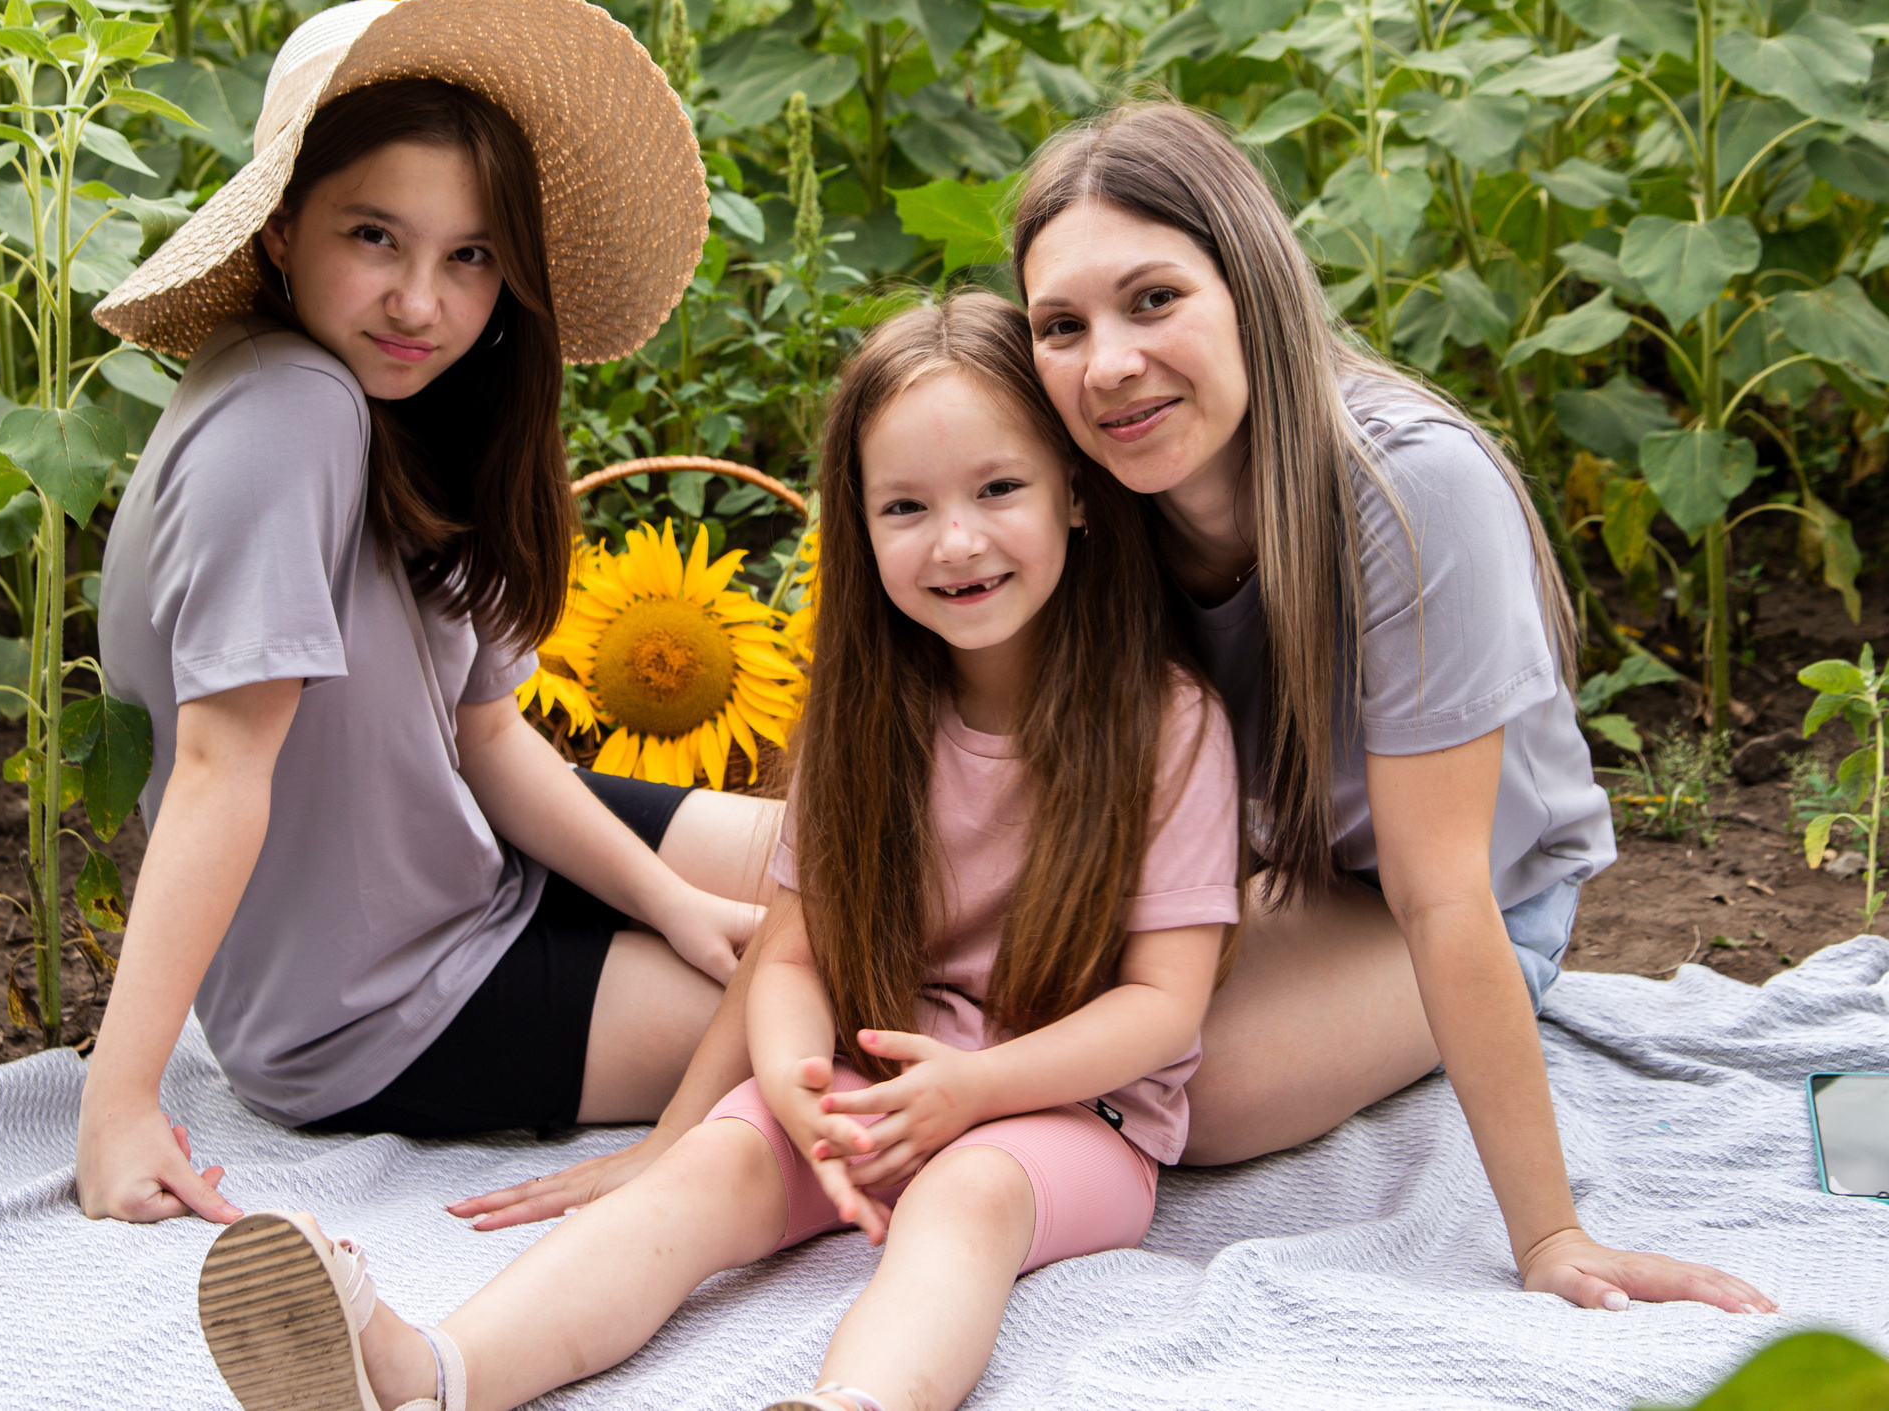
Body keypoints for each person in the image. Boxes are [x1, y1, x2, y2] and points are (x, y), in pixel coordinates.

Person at [191, 290, 1241, 1411]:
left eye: (998, 489)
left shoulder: (1165, 722)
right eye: (905, 506)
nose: (957, 541)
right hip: (876, 1087)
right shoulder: (863, 718)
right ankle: (426, 1375)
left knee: (967, 1198)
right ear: (858, 525)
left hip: (1069, 1113)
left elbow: (1163, 1006)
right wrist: (791, 1087)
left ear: (1073, 491)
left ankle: (856, 1405)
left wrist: (976, 1088)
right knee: (709, 1167)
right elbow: (793, 955)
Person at [1008, 98, 1775, 1315]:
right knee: (925, 940)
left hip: (1454, 901)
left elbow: (1440, 891)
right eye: (1063, 325)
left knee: (1183, 1085)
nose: (1107, 364)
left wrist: (1550, 1237)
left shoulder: (1409, 488)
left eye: (1153, 299)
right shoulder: (1093, 498)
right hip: (1257, 865)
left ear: (1250, 286)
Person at [74, 0, 779, 1226]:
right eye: (373, 237)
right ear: (279, 230)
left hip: (475, 861)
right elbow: (222, 762)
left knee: (888, 867)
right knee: (871, 1005)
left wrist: (671, 907)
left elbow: (486, 736)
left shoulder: (406, 412)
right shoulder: (289, 412)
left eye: (470, 256)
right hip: (379, 1006)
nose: (420, 303)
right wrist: (121, 1105)